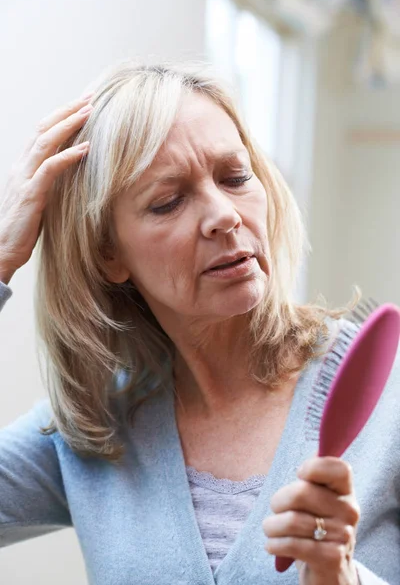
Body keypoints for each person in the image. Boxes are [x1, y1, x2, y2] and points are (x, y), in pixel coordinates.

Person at [0, 61, 398, 585]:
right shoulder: (91, 429)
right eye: (168, 202)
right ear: (107, 254)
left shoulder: (389, 394)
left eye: (236, 177)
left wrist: (343, 577)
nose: (224, 215)